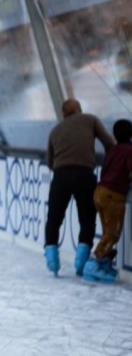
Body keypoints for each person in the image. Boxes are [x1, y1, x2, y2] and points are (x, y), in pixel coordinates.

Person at [43, 99, 115, 276]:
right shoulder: (90, 120)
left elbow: (50, 162)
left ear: (63, 113)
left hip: (60, 176)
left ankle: (53, 261)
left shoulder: (55, 130)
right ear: (79, 110)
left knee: (54, 217)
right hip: (84, 174)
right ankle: (80, 263)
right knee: (87, 218)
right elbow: (110, 144)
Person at [81, 119, 132, 283]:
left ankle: (104, 262)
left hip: (100, 192)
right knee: (112, 234)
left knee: (107, 232)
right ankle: (93, 263)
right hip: (113, 195)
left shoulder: (112, 150)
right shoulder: (129, 150)